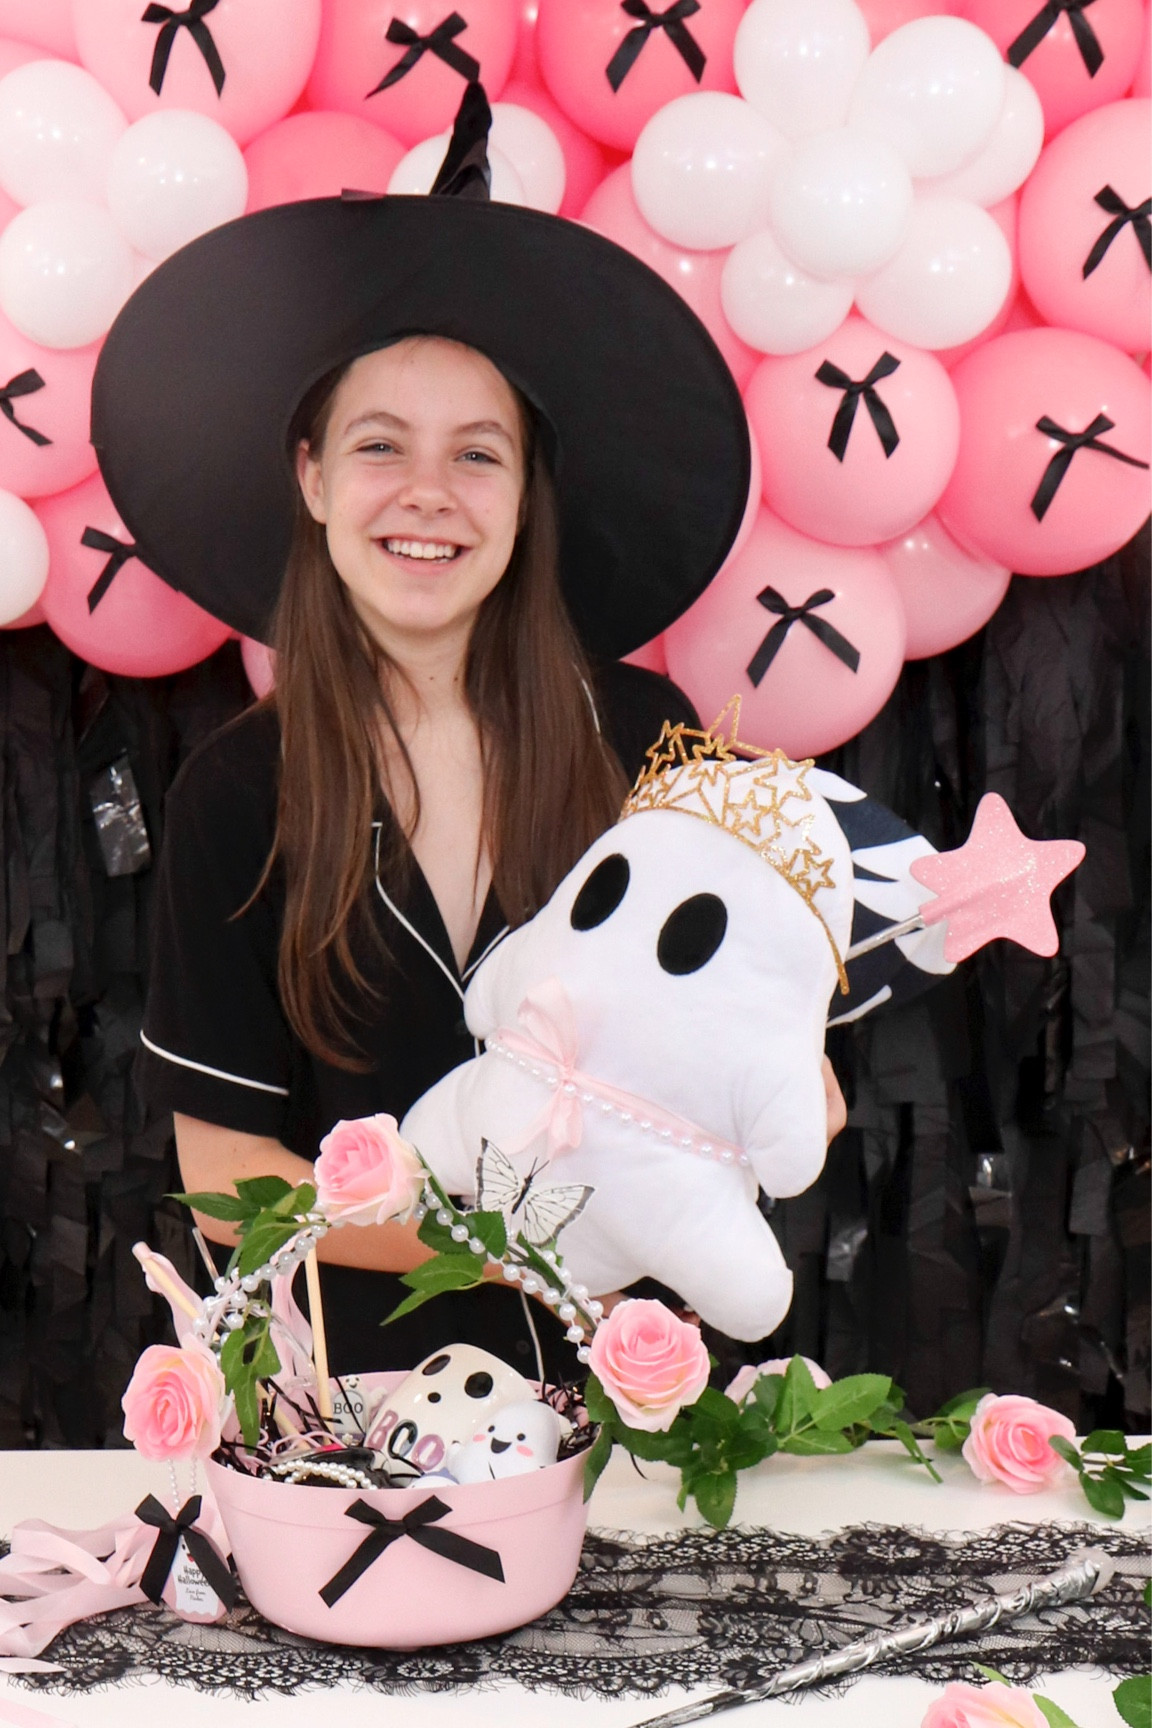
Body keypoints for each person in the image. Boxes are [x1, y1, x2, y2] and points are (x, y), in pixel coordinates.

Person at [94, 88, 844, 1377]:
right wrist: (498, 1240)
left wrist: (783, 1105)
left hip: (627, 1406)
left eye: (479, 454)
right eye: (381, 445)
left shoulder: (649, 741)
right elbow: (226, 1180)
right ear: (314, 478)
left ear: (526, 496)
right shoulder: (237, 791)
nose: (428, 496)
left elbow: (769, 1046)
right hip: (346, 1428)